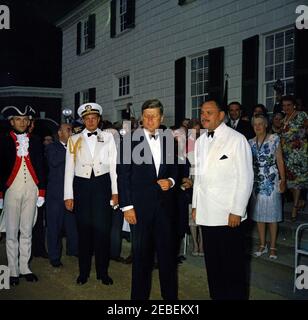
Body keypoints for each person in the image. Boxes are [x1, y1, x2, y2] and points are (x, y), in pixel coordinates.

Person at [192, 100, 254, 300]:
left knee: (233, 268)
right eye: (202, 112)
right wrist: (195, 205)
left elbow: (246, 178)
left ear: (221, 115)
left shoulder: (237, 139)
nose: (204, 116)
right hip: (207, 213)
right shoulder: (200, 141)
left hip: (229, 215)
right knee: (213, 267)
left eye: (209, 112)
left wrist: (237, 210)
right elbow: (198, 178)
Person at [117, 99, 178, 300]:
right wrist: (127, 207)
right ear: (141, 118)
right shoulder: (128, 141)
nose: (150, 120)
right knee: (141, 260)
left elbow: (175, 170)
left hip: (165, 210)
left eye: (154, 116)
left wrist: (170, 181)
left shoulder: (169, 139)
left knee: (167, 259)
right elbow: (123, 176)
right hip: (139, 210)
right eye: (146, 116)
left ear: (161, 118)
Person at [64, 102, 118, 285]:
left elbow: (113, 168)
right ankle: (83, 272)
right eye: (87, 118)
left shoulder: (109, 138)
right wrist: (68, 195)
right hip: (82, 188)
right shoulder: (74, 139)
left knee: (103, 233)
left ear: (99, 119)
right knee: (84, 233)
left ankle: (103, 272)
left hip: (103, 187)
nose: (91, 121)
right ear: (83, 120)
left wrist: (115, 192)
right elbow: (69, 170)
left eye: (94, 118)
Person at [0, 105, 45, 286]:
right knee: (11, 232)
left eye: (25, 119)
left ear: (29, 122)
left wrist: (41, 190)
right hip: (12, 189)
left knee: (27, 230)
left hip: (32, 189)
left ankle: (25, 267)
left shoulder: (35, 140)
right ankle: (12, 270)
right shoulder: (3, 141)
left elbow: (41, 166)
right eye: (18, 119)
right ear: (11, 122)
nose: (22, 122)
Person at [249, 115, 286, 260]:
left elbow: (280, 160)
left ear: (265, 125)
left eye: (260, 124)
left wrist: (283, 179)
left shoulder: (274, 139)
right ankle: (262, 244)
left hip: (271, 179)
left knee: (272, 215)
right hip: (256, 181)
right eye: (255, 124)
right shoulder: (249, 142)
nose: (257, 127)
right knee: (259, 215)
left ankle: (273, 246)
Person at [45, 123, 78, 268]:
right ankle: (54, 256)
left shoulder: (77, 146)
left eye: (71, 130)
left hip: (72, 193)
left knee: (72, 225)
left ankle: (73, 250)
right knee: (54, 227)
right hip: (56, 194)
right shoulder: (52, 147)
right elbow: (54, 162)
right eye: (68, 130)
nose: (71, 132)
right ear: (60, 133)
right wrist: (71, 150)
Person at [280, 95, 308, 221]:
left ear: (294, 105)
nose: (286, 108)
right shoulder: (283, 119)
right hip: (287, 155)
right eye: (284, 105)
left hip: (299, 154)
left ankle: (295, 208)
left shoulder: (302, 115)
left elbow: (302, 132)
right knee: (291, 182)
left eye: (289, 105)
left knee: (297, 182)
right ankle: (300, 201)